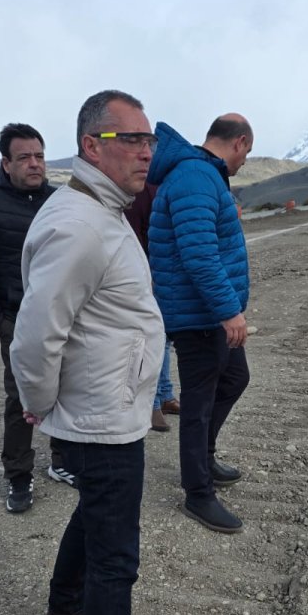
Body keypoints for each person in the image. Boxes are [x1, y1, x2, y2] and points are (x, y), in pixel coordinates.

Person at [11, 90, 190, 615]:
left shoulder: (100, 211)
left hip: (109, 405)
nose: (147, 151)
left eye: (149, 140)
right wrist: (38, 403)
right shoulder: (81, 224)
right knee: (117, 559)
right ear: (92, 146)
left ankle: (65, 605)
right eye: (131, 140)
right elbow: (36, 333)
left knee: (94, 512)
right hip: (101, 415)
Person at [0, 123, 78, 516]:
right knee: (21, 397)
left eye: (39, 156)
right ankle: (18, 475)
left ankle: (62, 460)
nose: (34, 164)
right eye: (24, 157)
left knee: (66, 389)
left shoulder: (62, 201)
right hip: (17, 321)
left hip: (65, 317)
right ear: (6, 163)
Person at [148, 114, 253, 534]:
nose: (244, 161)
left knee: (235, 378)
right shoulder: (195, 177)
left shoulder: (201, 174)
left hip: (206, 312)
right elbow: (199, 255)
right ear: (239, 142)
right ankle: (197, 492)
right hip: (199, 316)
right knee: (199, 402)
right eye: (247, 153)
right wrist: (229, 310)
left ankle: (203, 459)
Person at [123, 182, 178, 433]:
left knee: (164, 336)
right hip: (147, 269)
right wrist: (146, 271)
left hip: (161, 269)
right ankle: (152, 403)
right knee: (153, 336)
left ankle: (164, 395)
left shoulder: (161, 184)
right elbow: (136, 233)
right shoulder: (141, 187)